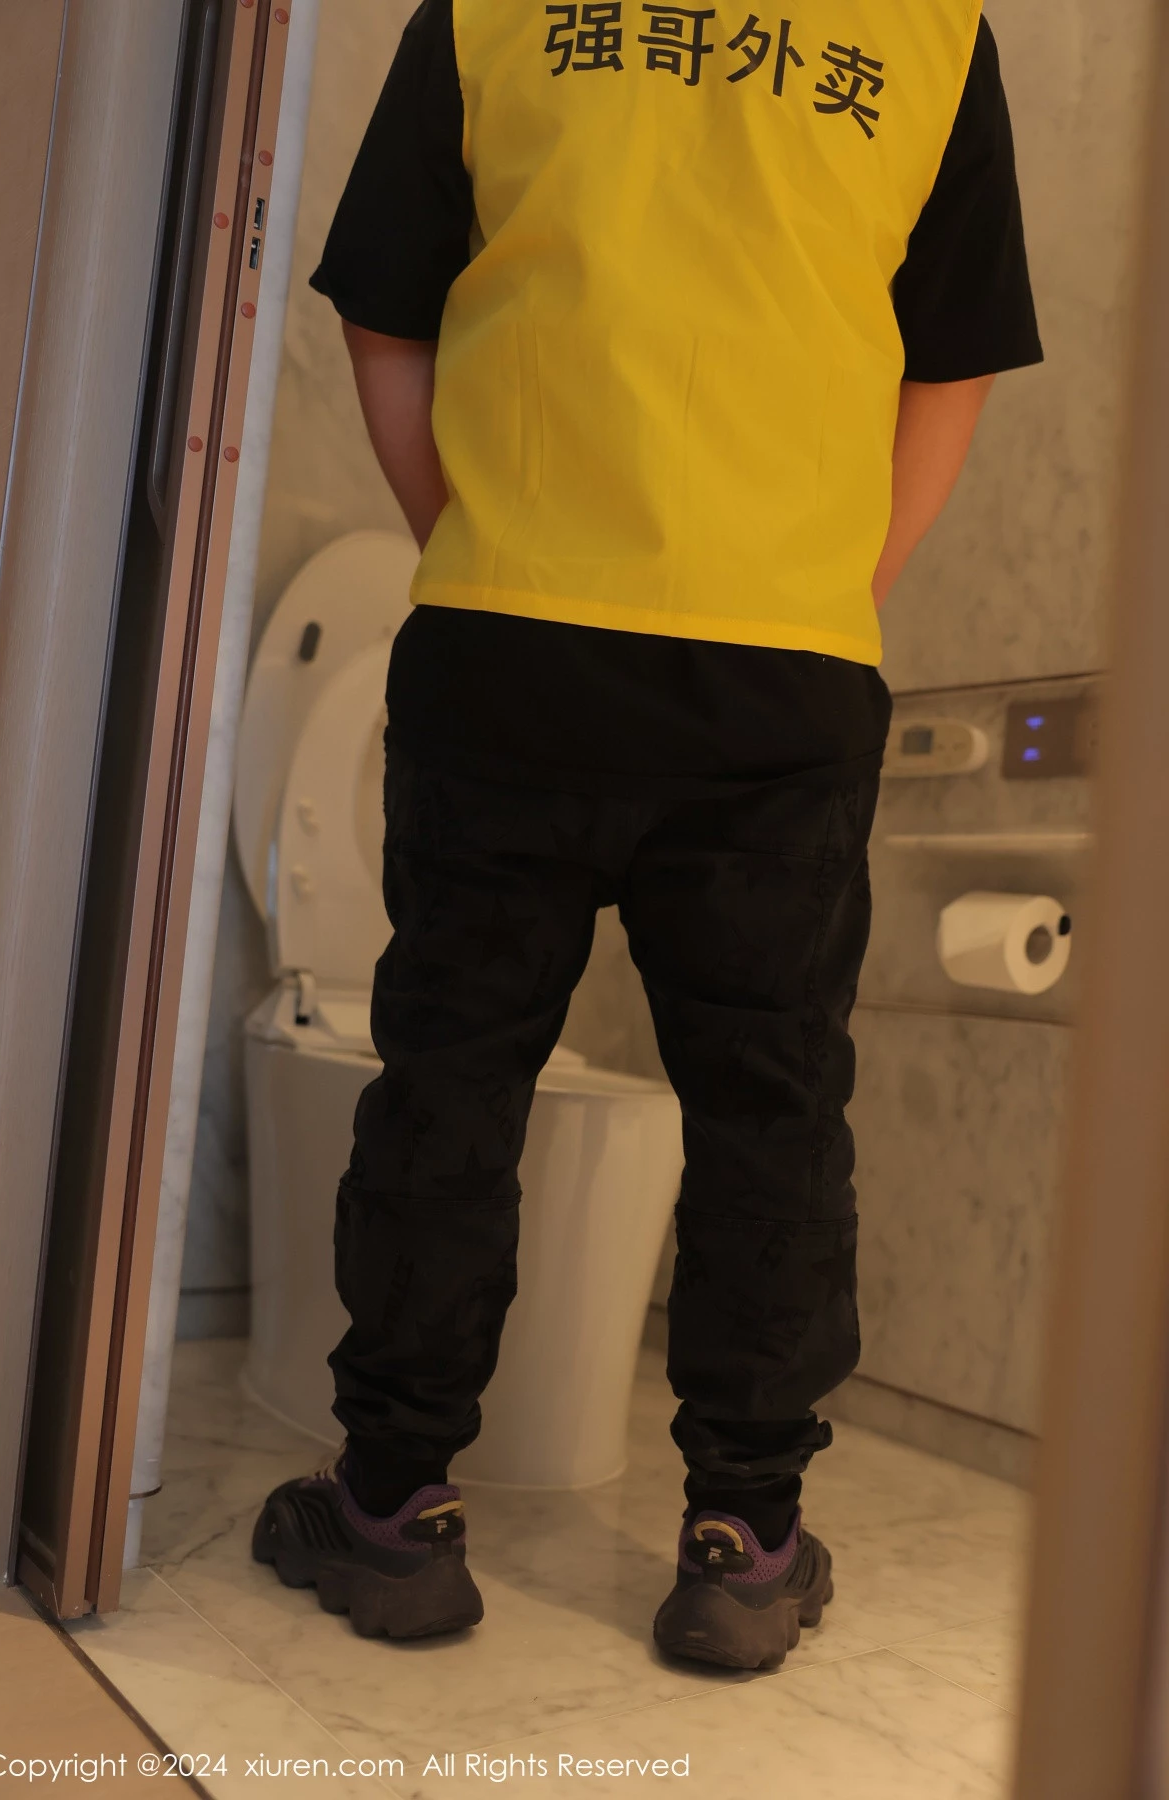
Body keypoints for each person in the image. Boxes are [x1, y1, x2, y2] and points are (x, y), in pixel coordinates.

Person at [252, 0, 1042, 1670]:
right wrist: (829, 594)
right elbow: (950, 362)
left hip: (511, 640)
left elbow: (387, 316)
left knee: (452, 1077)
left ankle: (391, 1506)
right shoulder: (929, 36)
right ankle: (746, 1540)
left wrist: (475, 544)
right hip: (781, 671)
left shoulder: (491, 10)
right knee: (770, 1110)